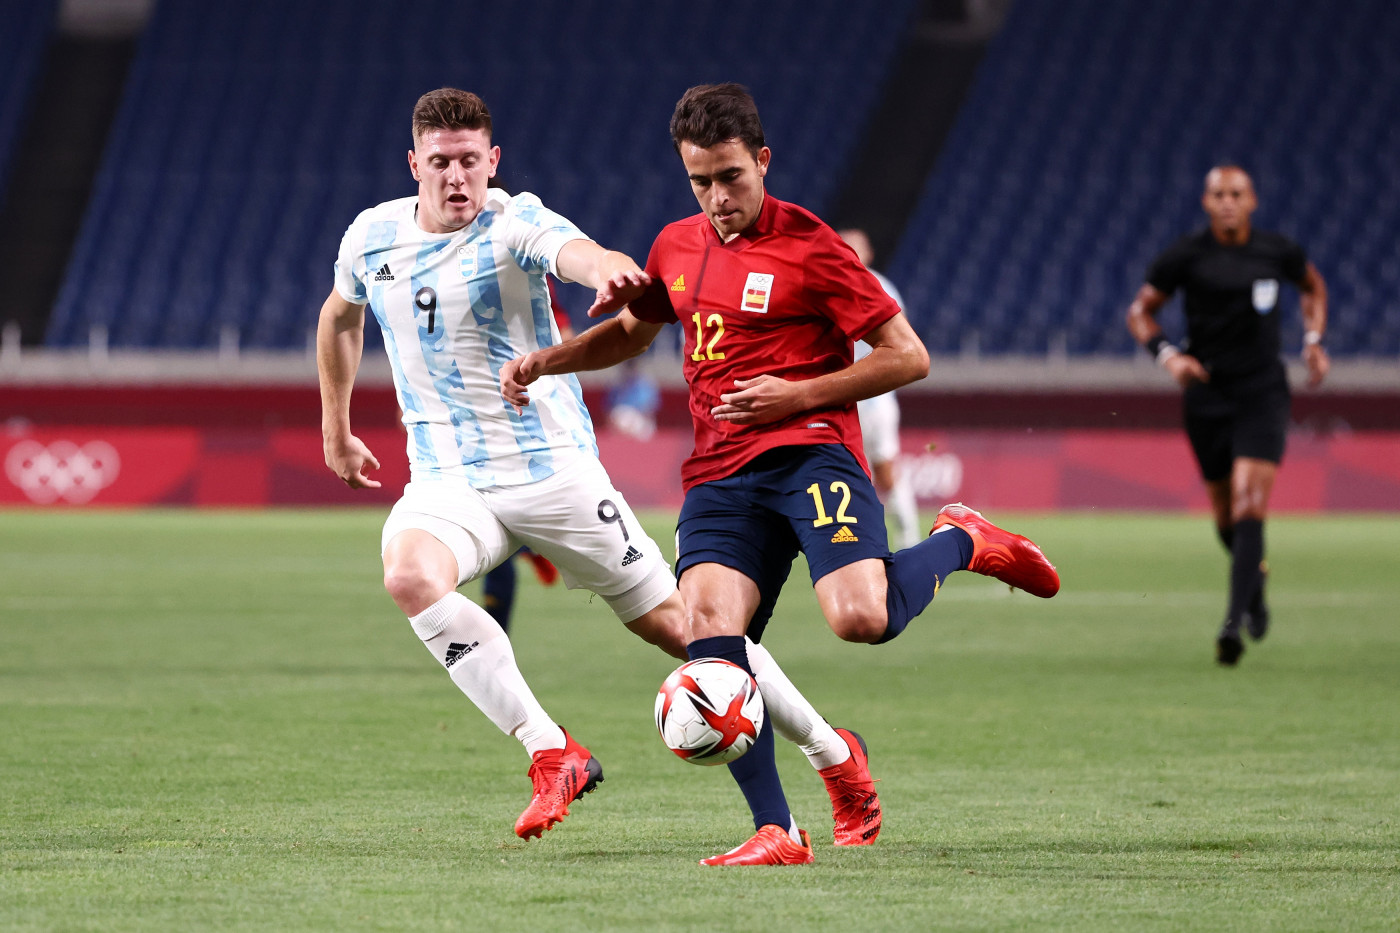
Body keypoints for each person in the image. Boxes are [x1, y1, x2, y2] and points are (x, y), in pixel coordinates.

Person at [501, 83, 1060, 865]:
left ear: (762, 160)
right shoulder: (674, 245)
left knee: (860, 617)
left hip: (811, 452)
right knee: (710, 643)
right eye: (701, 181)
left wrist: (798, 394)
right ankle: (779, 829)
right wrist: (549, 360)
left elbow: (910, 355)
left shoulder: (813, 246)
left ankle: (960, 539)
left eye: (731, 176)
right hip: (721, 475)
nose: (718, 196)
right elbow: (632, 331)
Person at [317, 87, 879, 845]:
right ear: (415, 162)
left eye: (472, 163)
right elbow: (340, 317)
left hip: (554, 475)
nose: (458, 179)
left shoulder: (514, 220)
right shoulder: (371, 237)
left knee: (690, 631)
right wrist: (337, 426)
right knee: (409, 574)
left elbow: (580, 254)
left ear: (494, 161)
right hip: (448, 480)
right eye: (442, 163)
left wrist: (613, 273)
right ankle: (552, 751)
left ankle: (833, 751)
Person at [1126, 165, 1329, 667]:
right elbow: (1140, 312)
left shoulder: (1276, 251)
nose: (1228, 202)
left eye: (1236, 193)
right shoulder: (1186, 255)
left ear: (1253, 200)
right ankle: (1254, 585)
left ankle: (1232, 623)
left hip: (1262, 390)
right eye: (1218, 194)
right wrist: (1169, 356)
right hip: (1207, 394)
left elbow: (1313, 289)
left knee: (1247, 501)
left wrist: (1313, 341)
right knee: (1224, 517)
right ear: (1206, 201)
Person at [837, 228, 922, 549]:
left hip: (875, 401)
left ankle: (909, 534)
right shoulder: (827, 285)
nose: (851, 253)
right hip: (840, 395)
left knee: (884, 469)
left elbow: (901, 344)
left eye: (857, 248)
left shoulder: (881, 288)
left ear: (869, 254)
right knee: (844, 469)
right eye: (845, 247)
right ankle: (853, 538)